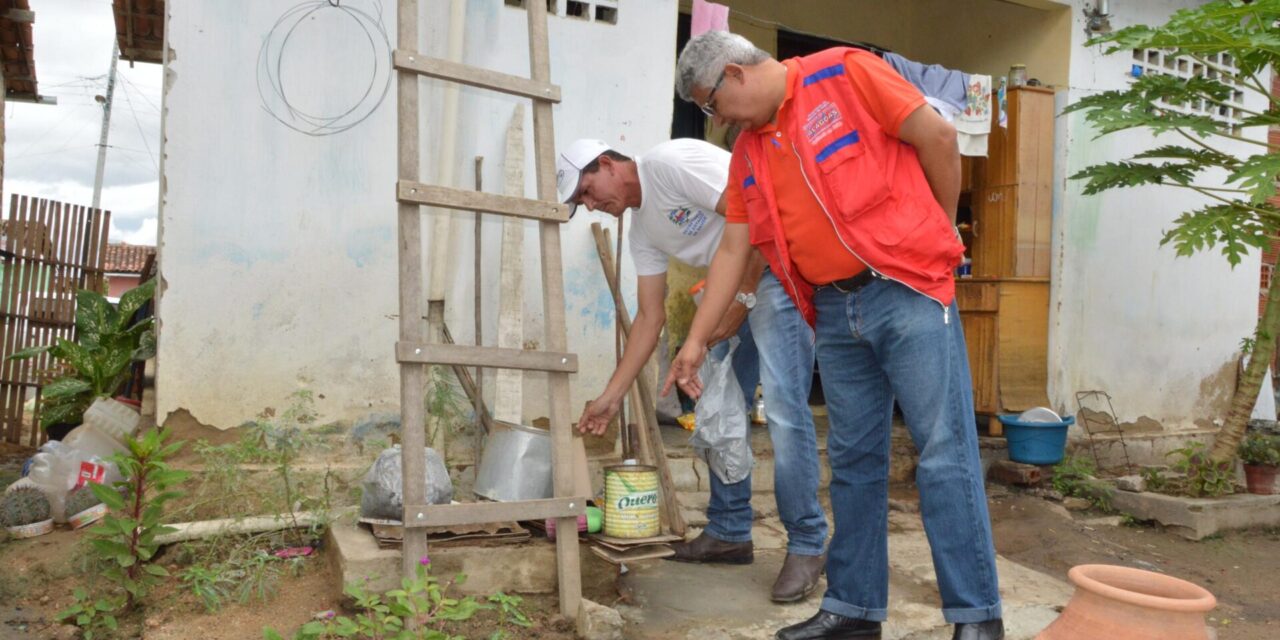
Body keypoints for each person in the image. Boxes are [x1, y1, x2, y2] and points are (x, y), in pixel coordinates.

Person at [665, 31, 1004, 640]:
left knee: (944, 454)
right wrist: (695, 342)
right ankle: (854, 608)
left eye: (711, 105)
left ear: (735, 77)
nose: (716, 120)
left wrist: (934, 237)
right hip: (834, 309)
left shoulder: (845, 72)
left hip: (907, 291)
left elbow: (939, 137)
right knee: (852, 461)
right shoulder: (749, 151)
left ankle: (977, 617)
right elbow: (734, 249)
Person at [561, 137, 829, 602]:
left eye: (585, 191)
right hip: (730, 288)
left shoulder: (669, 164)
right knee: (719, 409)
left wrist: (742, 300)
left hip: (776, 272)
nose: (589, 206)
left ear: (606, 164)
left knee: (784, 411)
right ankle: (729, 531)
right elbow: (649, 318)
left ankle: (807, 544)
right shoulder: (643, 228)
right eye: (581, 202)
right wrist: (610, 397)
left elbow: (760, 212)